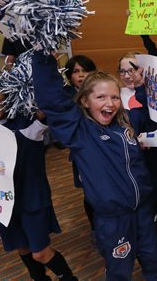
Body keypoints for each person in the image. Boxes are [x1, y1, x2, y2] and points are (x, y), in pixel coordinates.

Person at [31, 51, 157, 280]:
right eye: (101, 97)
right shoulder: (81, 132)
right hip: (113, 220)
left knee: (155, 262)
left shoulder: (127, 124)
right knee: (118, 272)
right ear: (85, 101)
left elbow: (155, 121)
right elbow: (53, 102)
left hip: (144, 211)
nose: (109, 103)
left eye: (114, 97)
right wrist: (44, 60)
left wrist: (143, 87)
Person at [0, 72, 77, 281]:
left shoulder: (27, 122)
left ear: (6, 90)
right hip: (3, 203)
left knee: (40, 252)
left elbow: (56, 98)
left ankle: (69, 278)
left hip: (32, 201)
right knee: (21, 248)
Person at [118, 52, 157, 259]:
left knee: (155, 211)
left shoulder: (152, 94)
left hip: (152, 163)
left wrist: (142, 89)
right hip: (128, 167)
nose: (128, 75)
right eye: (123, 71)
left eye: (132, 70)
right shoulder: (115, 96)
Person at [63, 54, 97, 232]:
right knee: (89, 191)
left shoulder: (101, 92)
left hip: (104, 149)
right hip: (83, 152)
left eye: (85, 70)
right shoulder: (67, 97)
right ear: (69, 76)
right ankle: (95, 228)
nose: (81, 75)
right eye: (76, 71)